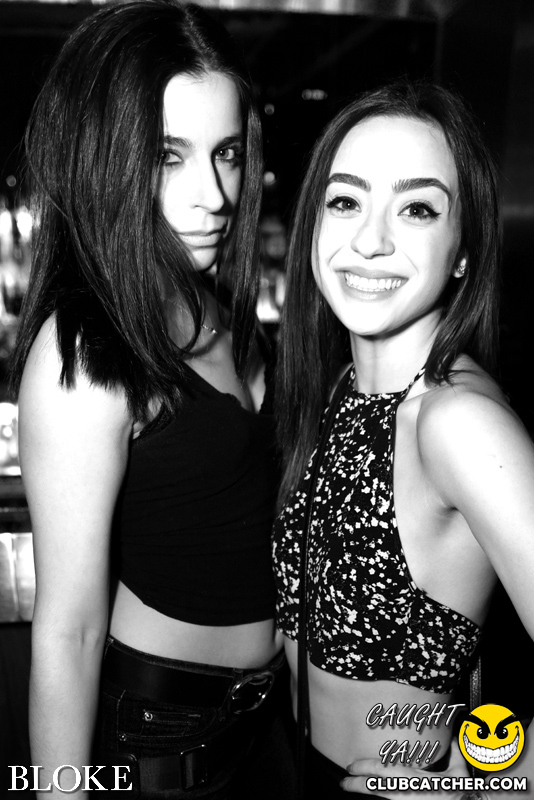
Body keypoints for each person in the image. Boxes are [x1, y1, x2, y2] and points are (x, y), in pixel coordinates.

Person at [9, 2, 293, 797]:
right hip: (165, 741)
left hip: (266, 724)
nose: (215, 194)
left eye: (227, 154)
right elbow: (67, 633)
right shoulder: (83, 350)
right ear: (110, 161)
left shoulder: (216, 305)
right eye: (169, 156)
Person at [273, 81, 534, 799]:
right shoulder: (342, 387)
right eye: (345, 201)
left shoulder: (457, 421)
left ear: (463, 251)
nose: (369, 240)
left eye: (417, 208)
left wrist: (475, 782)